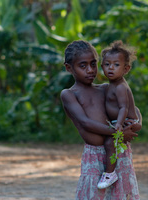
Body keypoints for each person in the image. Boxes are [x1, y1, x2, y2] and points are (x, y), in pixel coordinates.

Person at [60, 40, 142, 199]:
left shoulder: (105, 89)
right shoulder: (69, 94)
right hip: (95, 156)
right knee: (94, 194)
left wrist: (136, 123)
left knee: (121, 194)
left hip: (118, 153)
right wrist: (117, 133)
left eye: (93, 64)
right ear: (69, 68)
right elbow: (85, 122)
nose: (90, 70)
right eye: (83, 66)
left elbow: (134, 109)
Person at [97, 41, 140, 189]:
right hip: (120, 119)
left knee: (110, 143)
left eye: (116, 65)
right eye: (107, 64)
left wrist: (119, 124)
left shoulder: (120, 87)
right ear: (102, 67)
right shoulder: (111, 85)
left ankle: (110, 173)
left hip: (125, 120)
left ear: (126, 69)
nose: (111, 68)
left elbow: (123, 107)